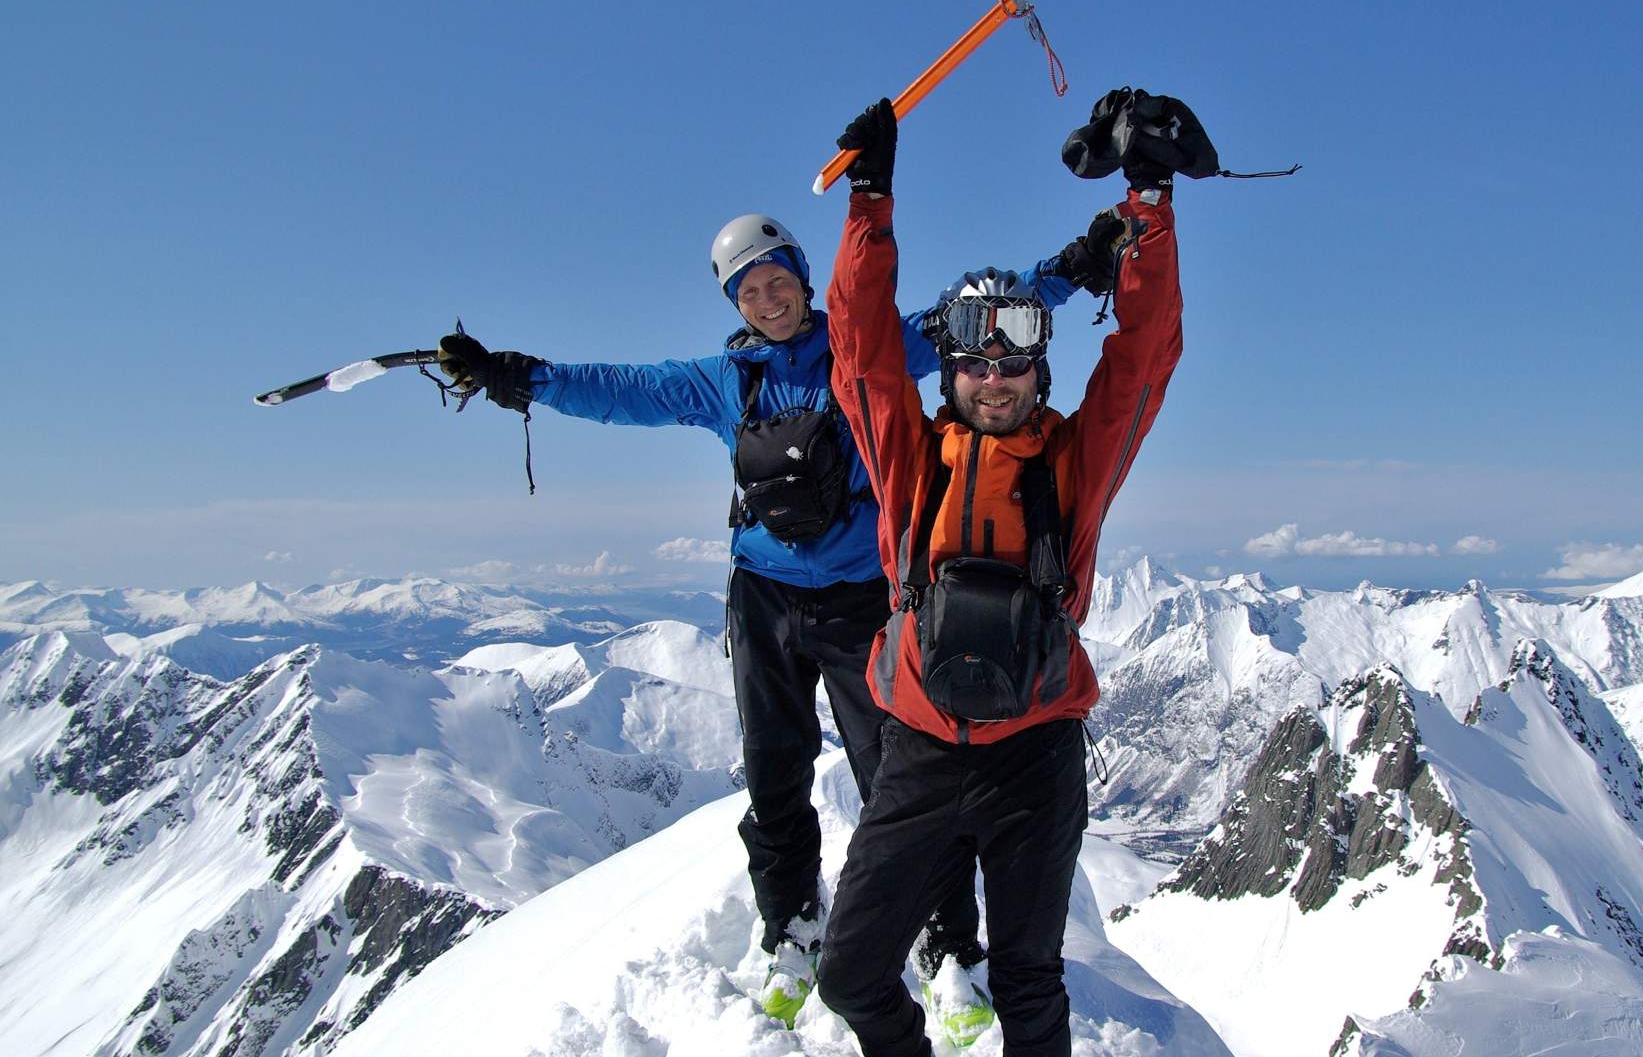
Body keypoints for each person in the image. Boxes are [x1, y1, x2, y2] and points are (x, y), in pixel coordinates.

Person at [434, 208, 1107, 1029]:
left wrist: (1072, 267)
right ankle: (793, 927)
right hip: (763, 598)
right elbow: (624, 391)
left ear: (802, 279)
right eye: (748, 291)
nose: (767, 299)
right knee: (774, 773)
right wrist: (521, 378)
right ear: (735, 303)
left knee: (896, 776)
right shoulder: (725, 379)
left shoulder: (864, 347)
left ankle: (947, 945)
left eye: (777, 280)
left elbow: (981, 317)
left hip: (865, 598)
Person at [815, 96, 1184, 1056]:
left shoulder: (1072, 464)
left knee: (1028, 985)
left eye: (1013, 363)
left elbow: (1143, 358)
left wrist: (1149, 203)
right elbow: (858, 347)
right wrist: (869, 201)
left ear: (1038, 370)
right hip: (921, 751)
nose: (994, 379)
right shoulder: (910, 458)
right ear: (949, 374)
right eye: (974, 364)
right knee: (851, 975)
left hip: (1035, 757)